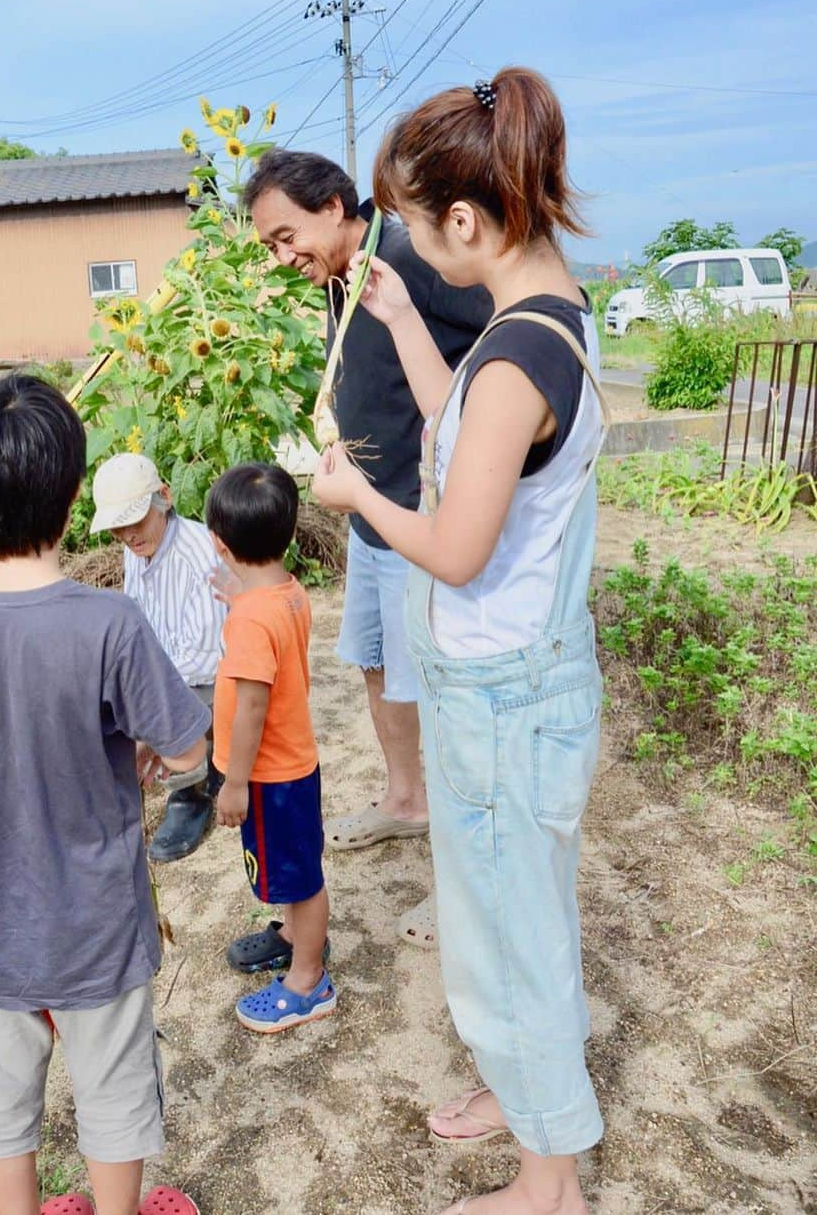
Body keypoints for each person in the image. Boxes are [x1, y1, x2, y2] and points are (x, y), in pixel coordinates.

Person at [312, 69, 609, 1215]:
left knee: (509, 936)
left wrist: (358, 501)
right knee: (521, 909)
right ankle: (520, 1097)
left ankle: (548, 1183)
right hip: (526, 681)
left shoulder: (514, 358)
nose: (416, 254)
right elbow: (465, 438)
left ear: (468, 221)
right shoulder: (546, 327)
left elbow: (455, 548)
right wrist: (393, 317)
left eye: (418, 228)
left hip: (499, 697)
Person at [0, 373, 205, 1215]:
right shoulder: (107, 624)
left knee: (1, 1093)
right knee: (111, 1088)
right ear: (74, 499)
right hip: (96, 928)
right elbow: (188, 748)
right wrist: (142, 741)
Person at [245, 148, 492, 946]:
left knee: (443, 690)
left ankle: (462, 881)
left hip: (420, 520)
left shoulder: (407, 259)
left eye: (288, 236)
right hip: (368, 514)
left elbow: (490, 343)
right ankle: (405, 801)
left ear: (335, 206)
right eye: (271, 247)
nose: (284, 257)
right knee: (379, 663)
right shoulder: (342, 273)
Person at [205, 462, 336, 1031]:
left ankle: (308, 981)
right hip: (292, 765)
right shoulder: (286, 594)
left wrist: (235, 783)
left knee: (302, 878)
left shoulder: (250, 623)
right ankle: (293, 936)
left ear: (219, 544)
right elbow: (265, 614)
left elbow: (252, 706)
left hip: (270, 776)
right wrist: (240, 596)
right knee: (293, 868)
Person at [90, 452, 225, 863]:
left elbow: (205, 659)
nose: (129, 535)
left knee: (183, 703)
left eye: (136, 521)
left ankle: (192, 790)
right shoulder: (138, 549)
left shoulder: (198, 555)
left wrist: (146, 711)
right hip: (165, 672)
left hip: (212, 680)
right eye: (119, 527)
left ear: (163, 498)